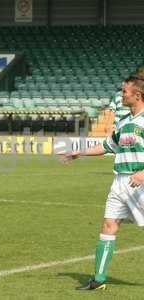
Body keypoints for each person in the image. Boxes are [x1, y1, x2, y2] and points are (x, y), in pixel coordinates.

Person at [61, 74, 144, 290]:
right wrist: (80, 152)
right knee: (108, 225)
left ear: (138, 94)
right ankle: (98, 279)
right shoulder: (125, 121)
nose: (121, 94)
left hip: (140, 182)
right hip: (120, 182)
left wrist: (143, 173)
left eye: (124, 91)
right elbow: (108, 146)